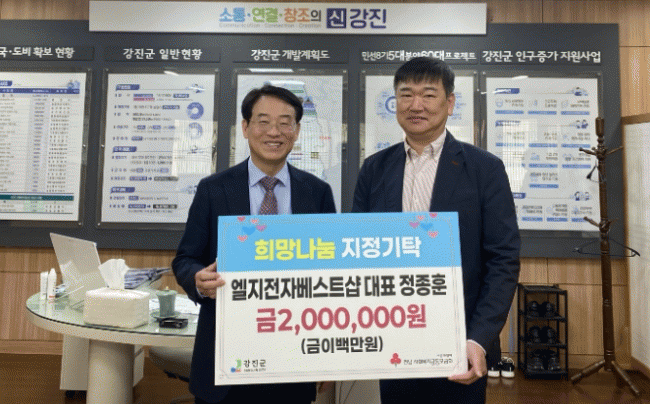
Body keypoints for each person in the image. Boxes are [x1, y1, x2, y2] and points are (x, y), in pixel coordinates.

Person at [352, 57, 520, 404]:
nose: (416, 105)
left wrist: (479, 337)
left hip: (459, 342)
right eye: (406, 94)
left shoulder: (484, 169)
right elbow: (358, 250)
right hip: (393, 336)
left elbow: (502, 259)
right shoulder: (374, 169)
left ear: (450, 102)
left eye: (428, 95)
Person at [173, 84, 336, 404]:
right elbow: (185, 258)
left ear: (297, 131)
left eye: (285, 123)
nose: (274, 132)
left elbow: (330, 275)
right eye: (263, 121)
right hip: (225, 355)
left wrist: (327, 357)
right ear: (246, 127)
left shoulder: (317, 193)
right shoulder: (213, 190)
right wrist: (197, 278)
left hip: (293, 355)